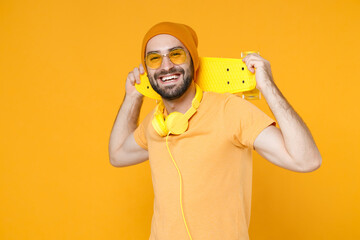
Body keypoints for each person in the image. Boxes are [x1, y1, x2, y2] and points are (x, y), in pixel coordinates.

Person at [108, 22, 322, 240]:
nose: (166, 65)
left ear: (194, 62)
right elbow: (117, 155)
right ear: (147, 69)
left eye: (176, 54)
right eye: (155, 58)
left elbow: (306, 160)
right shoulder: (157, 123)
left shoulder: (230, 110)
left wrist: (267, 86)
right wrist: (133, 96)